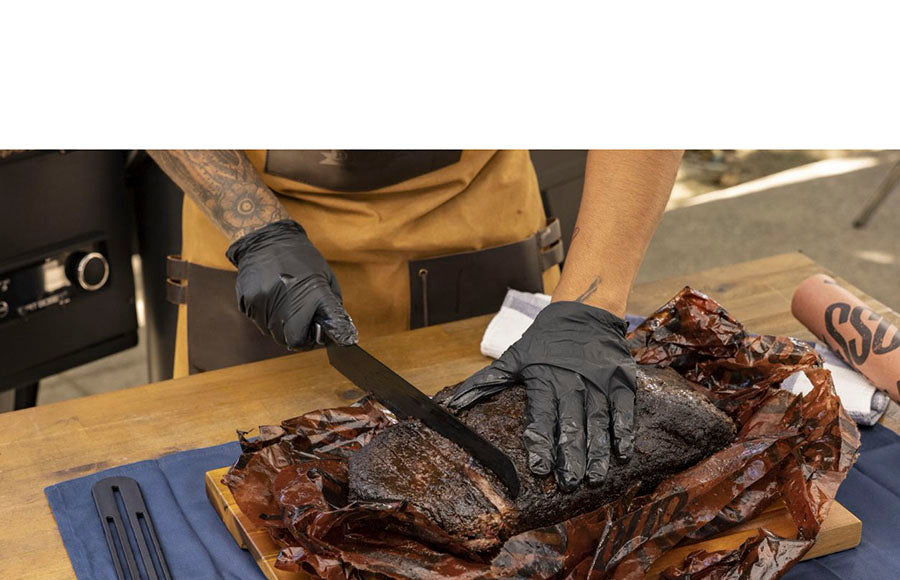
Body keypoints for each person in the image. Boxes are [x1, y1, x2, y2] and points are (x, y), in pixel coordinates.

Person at [151, 149, 683, 491]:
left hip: (474, 212)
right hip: (252, 234)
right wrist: (257, 227)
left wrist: (593, 301)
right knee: (243, 485)